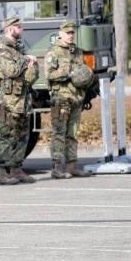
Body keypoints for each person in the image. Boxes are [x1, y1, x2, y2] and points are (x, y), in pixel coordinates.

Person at [0, 18, 39, 185]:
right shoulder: (1, 49)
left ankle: (16, 169)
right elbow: (11, 71)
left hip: (22, 99)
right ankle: (2, 172)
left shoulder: (16, 49)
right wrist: (26, 60)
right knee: (7, 135)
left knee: (22, 135)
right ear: (10, 29)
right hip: (9, 101)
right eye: (18, 27)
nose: (22, 29)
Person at [45, 21, 92, 178]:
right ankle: (57, 168)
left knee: (72, 133)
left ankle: (71, 166)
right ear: (60, 33)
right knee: (59, 132)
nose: (70, 35)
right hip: (61, 98)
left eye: (72, 32)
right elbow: (49, 74)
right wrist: (70, 72)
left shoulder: (77, 52)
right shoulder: (54, 52)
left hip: (76, 98)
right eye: (67, 32)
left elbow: (84, 71)